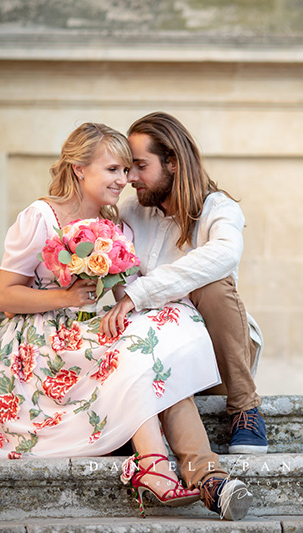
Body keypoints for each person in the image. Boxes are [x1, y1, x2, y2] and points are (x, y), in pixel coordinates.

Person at [0, 122, 253, 521]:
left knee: (150, 357)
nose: (125, 180)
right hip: (35, 343)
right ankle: (163, 466)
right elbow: (3, 297)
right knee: (143, 360)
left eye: (128, 170)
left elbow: (125, 290)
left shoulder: (119, 223)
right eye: (114, 170)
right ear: (79, 168)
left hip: (82, 333)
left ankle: (186, 473)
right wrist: (64, 297)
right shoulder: (41, 217)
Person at [100, 112, 268, 464]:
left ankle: (245, 408)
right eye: (126, 168)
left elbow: (223, 254)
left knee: (214, 284)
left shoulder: (218, 209)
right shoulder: (130, 212)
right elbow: (123, 287)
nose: (130, 178)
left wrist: (142, 294)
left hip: (219, 354)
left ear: (173, 163)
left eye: (139, 166)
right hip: (162, 349)